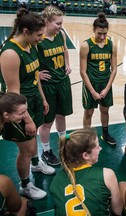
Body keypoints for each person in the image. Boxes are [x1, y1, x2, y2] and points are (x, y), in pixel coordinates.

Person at [0, 9, 55, 200]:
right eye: (39, 35)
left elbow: (35, 75)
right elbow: (13, 93)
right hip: (18, 108)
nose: (42, 38)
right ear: (25, 31)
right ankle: (25, 185)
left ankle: (35, 163)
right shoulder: (10, 54)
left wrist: (43, 98)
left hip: (33, 100)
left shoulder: (31, 45)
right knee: (26, 150)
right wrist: (28, 119)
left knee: (33, 142)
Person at [50, 128, 123, 216]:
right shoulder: (107, 175)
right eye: (97, 147)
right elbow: (117, 211)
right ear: (86, 155)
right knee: (123, 186)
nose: (100, 148)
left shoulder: (56, 180)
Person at [37, 6, 73, 166]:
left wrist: (67, 64)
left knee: (61, 115)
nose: (60, 26)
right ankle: (45, 151)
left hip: (62, 82)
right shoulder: (38, 39)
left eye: (61, 23)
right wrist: (36, 74)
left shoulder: (62, 34)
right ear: (46, 21)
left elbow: (65, 50)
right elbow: (29, 61)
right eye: (58, 23)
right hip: (48, 86)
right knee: (47, 122)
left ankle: (63, 144)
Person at [80, 12, 117, 145]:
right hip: (91, 84)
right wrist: (92, 91)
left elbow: (114, 69)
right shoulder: (86, 45)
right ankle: (86, 139)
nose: (102, 36)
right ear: (94, 30)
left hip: (105, 83)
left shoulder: (111, 45)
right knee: (88, 112)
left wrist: (107, 88)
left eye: (105, 33)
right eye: (99, 33)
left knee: (105, 109)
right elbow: (82, 72)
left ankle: (105, 134)